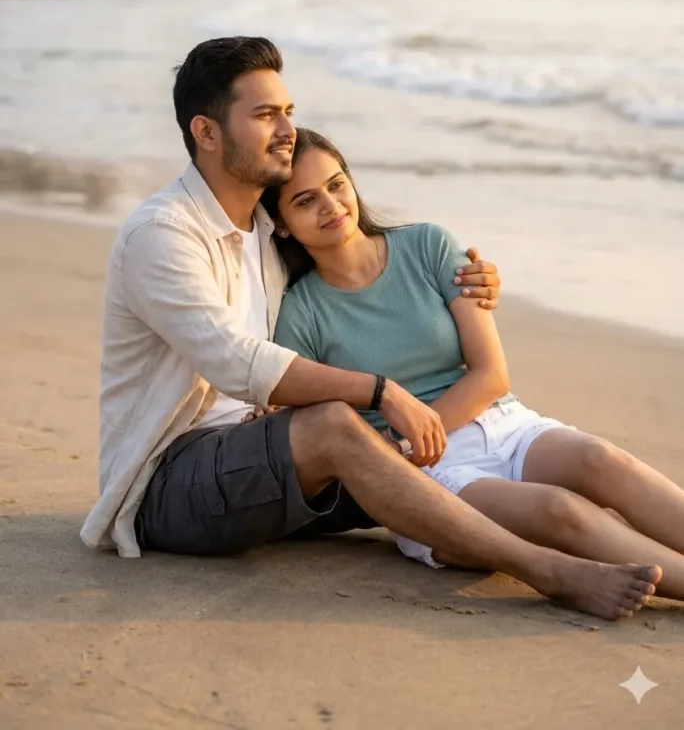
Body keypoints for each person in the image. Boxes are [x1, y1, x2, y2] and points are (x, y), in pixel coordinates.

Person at [80, 36, 660, 623]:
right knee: (341, 425)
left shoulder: (270, 233)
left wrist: (476, 281)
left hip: (273, 455)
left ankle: (472, 535)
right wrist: (381, 392)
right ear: (206, 132)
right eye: (264, 115)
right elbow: (235, 362)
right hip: (172, 482)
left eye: (288, 111)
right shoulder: (163, 234)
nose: (286, 129)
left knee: (582, 467)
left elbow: (361, 275)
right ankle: (549, 569)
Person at [266, 127, 684, 603]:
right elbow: (304, 417)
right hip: (419, 470)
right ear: (282, 224)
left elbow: (491, 376)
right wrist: (398, 449)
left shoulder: (427, 246)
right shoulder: (300, 313)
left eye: (336, 185)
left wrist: (413, 433)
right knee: (559, 510)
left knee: (603, 461)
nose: (331, 206)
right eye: (305, 200)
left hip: (495, 420)